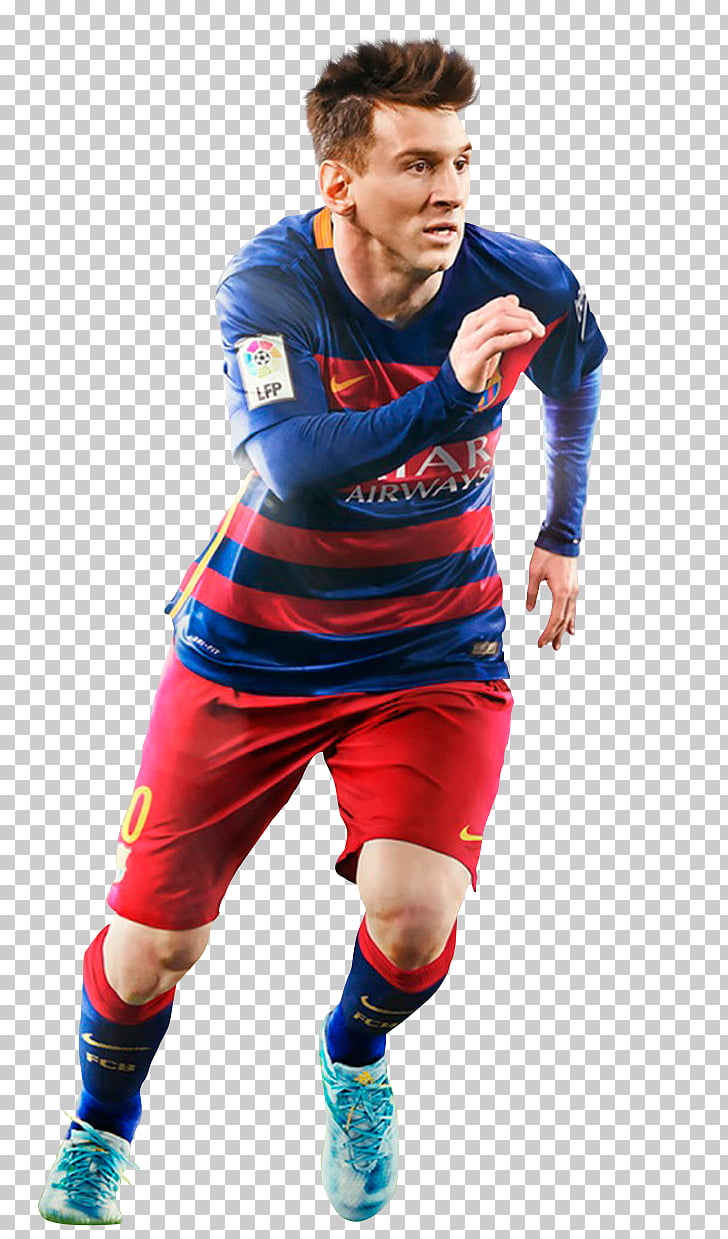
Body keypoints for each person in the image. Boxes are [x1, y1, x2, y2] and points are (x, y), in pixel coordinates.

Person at [39, 36, 608, 1226]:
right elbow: (294, 467)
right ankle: (100, 1128)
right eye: (416, 166)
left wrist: (559, 532)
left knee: (415, 915)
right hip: (249, 649)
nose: (449, 191)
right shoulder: (270, 287)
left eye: (460, 161)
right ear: (339, 184)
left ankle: (353, 1061)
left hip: (430, 650)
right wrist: (450, 394)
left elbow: (575, 375)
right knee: (152, 953)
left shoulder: (521, 279)